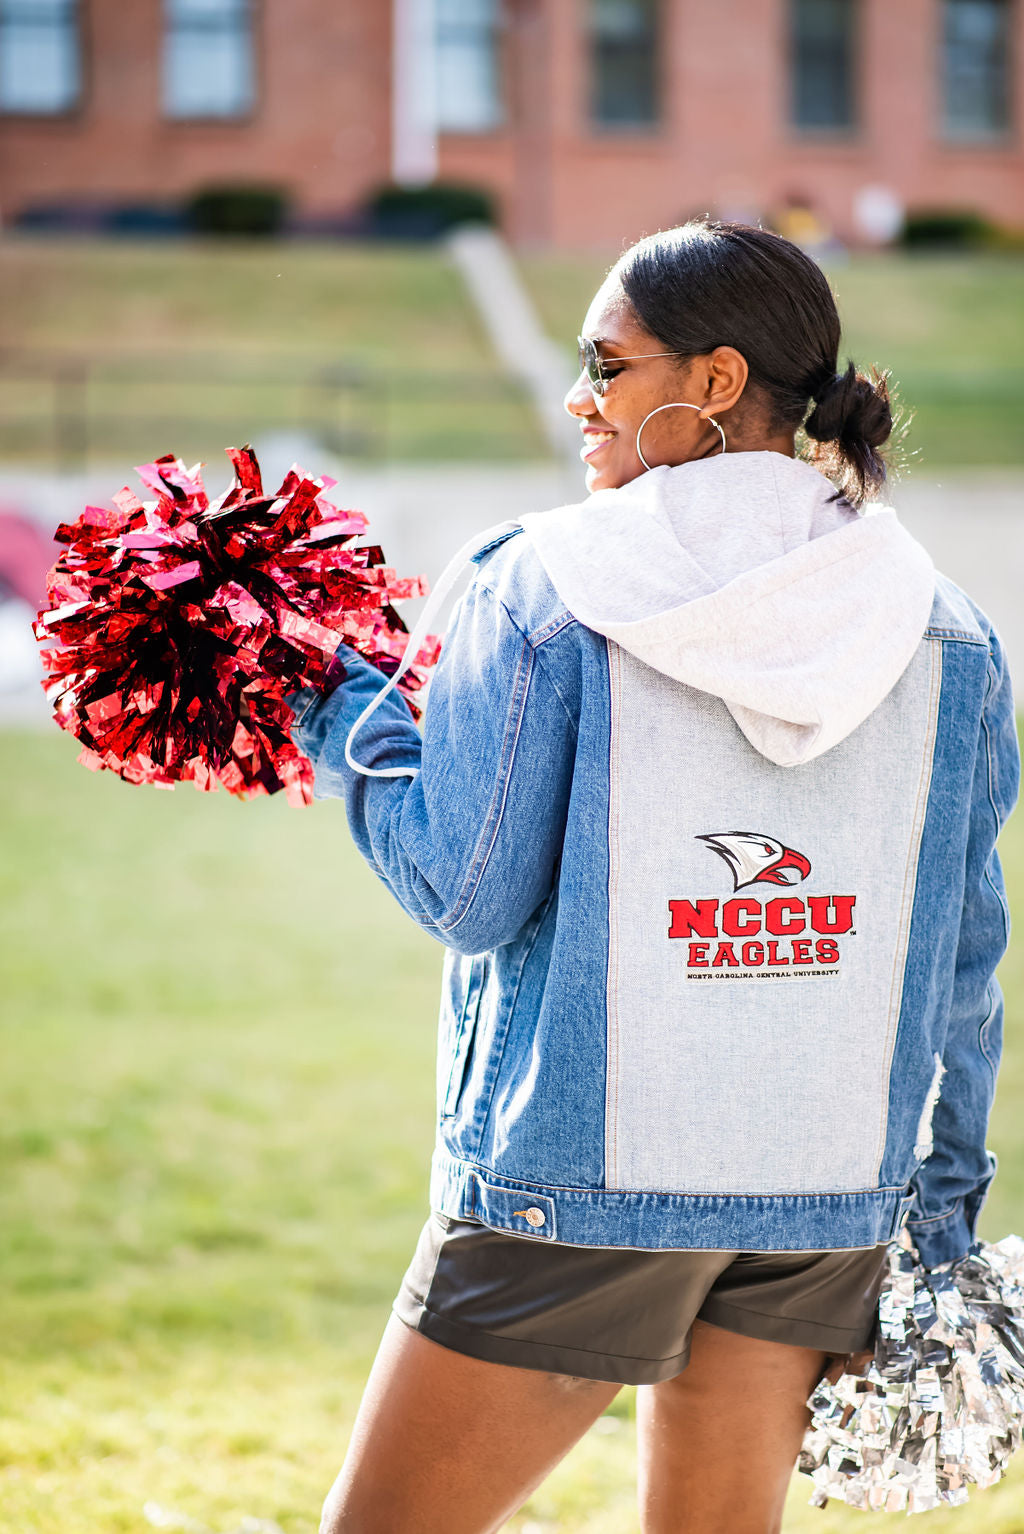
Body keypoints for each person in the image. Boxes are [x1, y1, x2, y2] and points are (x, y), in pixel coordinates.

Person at [288, 219, 1018, 1534]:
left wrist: (341, 710)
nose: (581, 395)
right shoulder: (949, 629)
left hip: (574, 1194)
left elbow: (463, 892)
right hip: (828, 1199)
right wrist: (939, 1224)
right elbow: (963, 969)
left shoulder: (542, 587)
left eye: (607, 364)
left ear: (718, 382)